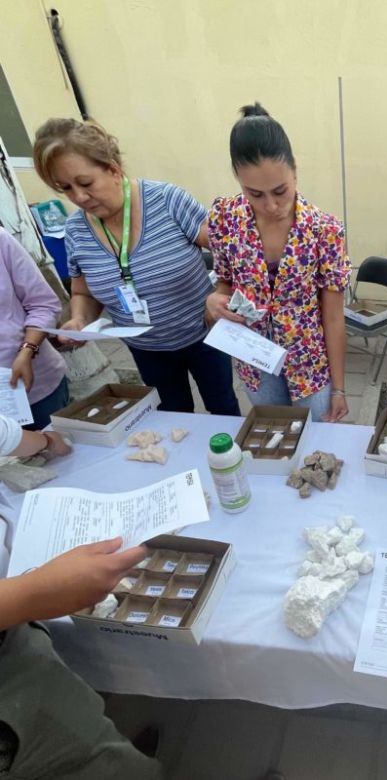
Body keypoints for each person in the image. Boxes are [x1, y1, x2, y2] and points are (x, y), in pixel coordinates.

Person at [32, 118, 240, 416]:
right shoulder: (76, 230)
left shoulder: (167, 201)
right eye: (66, 188)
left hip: (204, 337)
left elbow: (232, 252)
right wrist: (79, 320)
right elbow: (83, 292)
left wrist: (221, 292)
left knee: (224, 409)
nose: (78, 197)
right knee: (172, 416)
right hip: (146, 349)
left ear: (113, 169)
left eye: (86, 183)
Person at [0, 415, 161, 778]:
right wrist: (32, 593)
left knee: (93, 736)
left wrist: (44, 441)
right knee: (102, 763)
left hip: (17, 635)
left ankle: (107, 750)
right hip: (11, 703)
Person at [206, 103, 351, 422]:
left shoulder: (324, 230)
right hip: (253, 355)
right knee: (271, 431)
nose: (271, 205)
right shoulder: (224, 217)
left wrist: (339, 389)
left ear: (294, 170)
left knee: (316, 436)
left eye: (280, 191)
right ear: (238, 179)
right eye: (255, 194)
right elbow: (225, 282)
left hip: (308, 361)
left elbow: (333, 317)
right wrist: (215, 299)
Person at [1, 227, 69, 429]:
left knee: (55, 444)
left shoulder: (2, 240)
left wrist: (27, 350)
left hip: (33, 390)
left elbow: (43, 304)